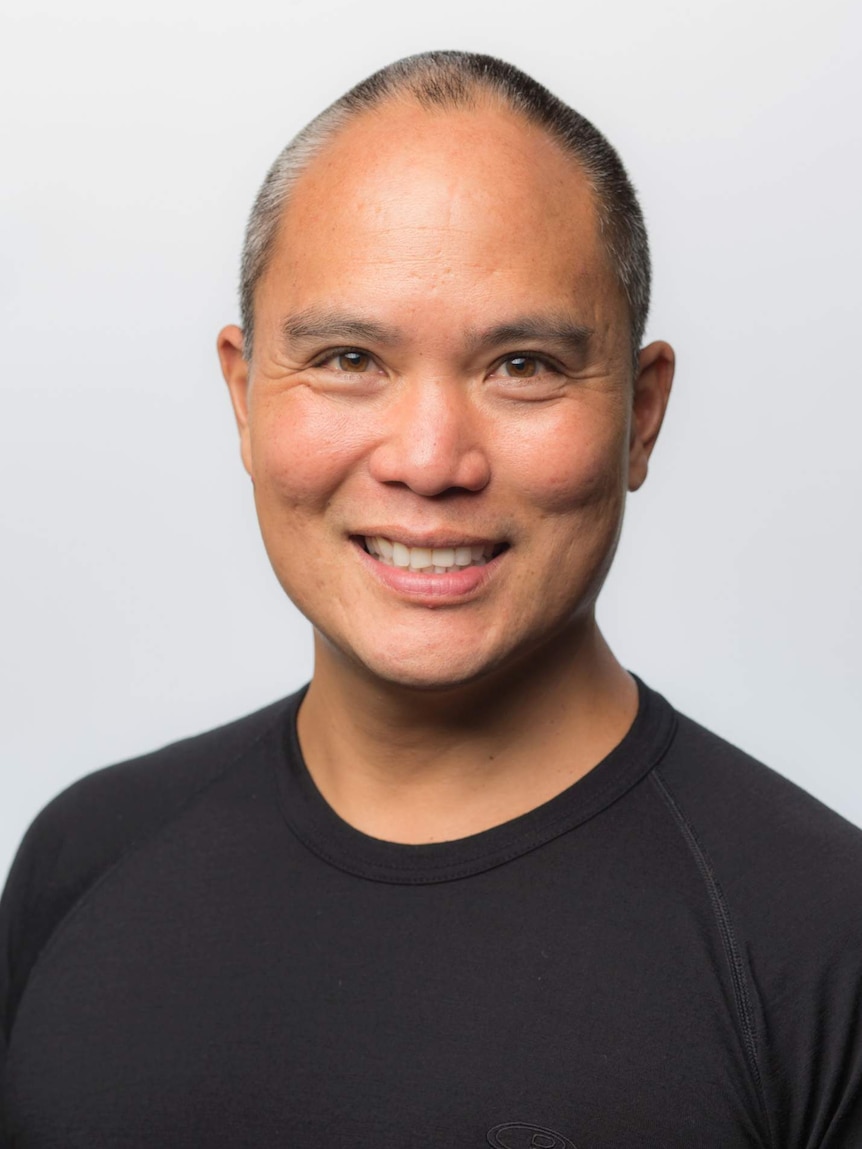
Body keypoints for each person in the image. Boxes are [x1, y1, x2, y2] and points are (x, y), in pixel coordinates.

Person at [1, 49, 859, 1148]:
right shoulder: (83, 859)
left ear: (640, 416)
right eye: (350, 356)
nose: (429, 459)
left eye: (524, 366)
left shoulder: (821, 947)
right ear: (245, 392)